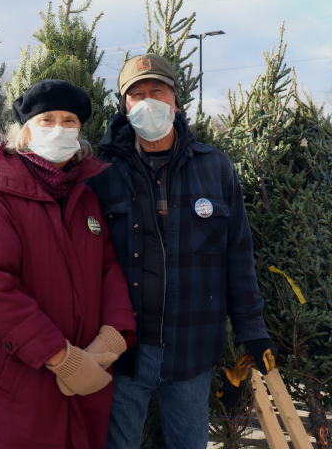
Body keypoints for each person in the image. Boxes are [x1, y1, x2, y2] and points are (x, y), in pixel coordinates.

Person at [86, 54, 277, 449]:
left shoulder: (216, 168)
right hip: (123, 354)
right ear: (124, 107)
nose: (148, 101)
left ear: (176, 100)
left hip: (192, 352)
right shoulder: (102, 175)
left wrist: (252, 332)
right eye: (136, 95)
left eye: (157, 91)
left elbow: (238, 257)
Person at [0, 79, 136, 449]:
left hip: (86, 387)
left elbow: (109, 268)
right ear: (24, 132)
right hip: (21, 391)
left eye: (70, 121)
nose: (59, 128)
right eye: (47, 119)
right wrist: (61, 357)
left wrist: (112, 339)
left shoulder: (84, 198)